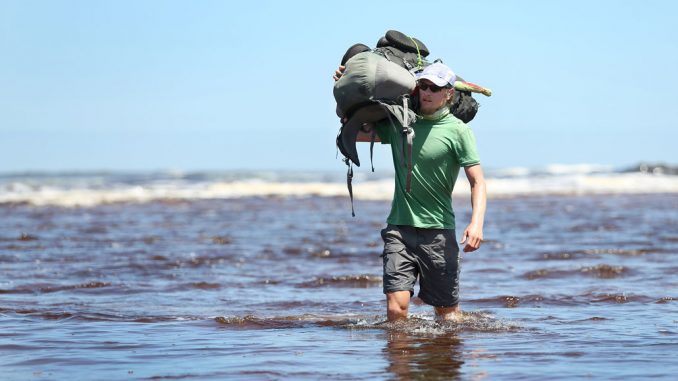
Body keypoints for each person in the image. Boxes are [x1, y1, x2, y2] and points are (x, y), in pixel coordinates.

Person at [335, 62, 487, 321]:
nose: (427, 92)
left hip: (438, 232)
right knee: (396, 310)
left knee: (448, 316)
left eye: (435, 88)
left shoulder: (458, 131)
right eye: (423, 86)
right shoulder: (400, 123)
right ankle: (400, 360)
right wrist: (345, 83)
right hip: (399, 230)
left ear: (448, 93)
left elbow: (478, 182)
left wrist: (477, 224)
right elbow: (355, 129)